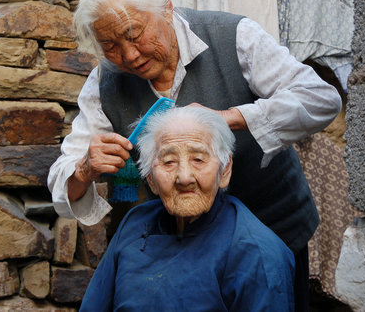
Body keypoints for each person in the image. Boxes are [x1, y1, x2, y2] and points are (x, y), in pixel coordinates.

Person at [47, 0, 342, 311]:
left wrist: (230, 117)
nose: (128, 54)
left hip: (265, 239)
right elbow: (63, 183)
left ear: (166, 9)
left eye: (134, 34)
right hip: (164, 253)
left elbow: (320, 99)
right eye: (109, 46)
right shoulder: (104, 83)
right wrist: (84, 169)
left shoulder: (234, 38)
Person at [80, 106, 295, 311]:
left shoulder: (257, 253)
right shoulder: (135, 223)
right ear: (150, 180)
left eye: (198, 159)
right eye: (169, 162)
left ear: (225, 169)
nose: (184, 178)